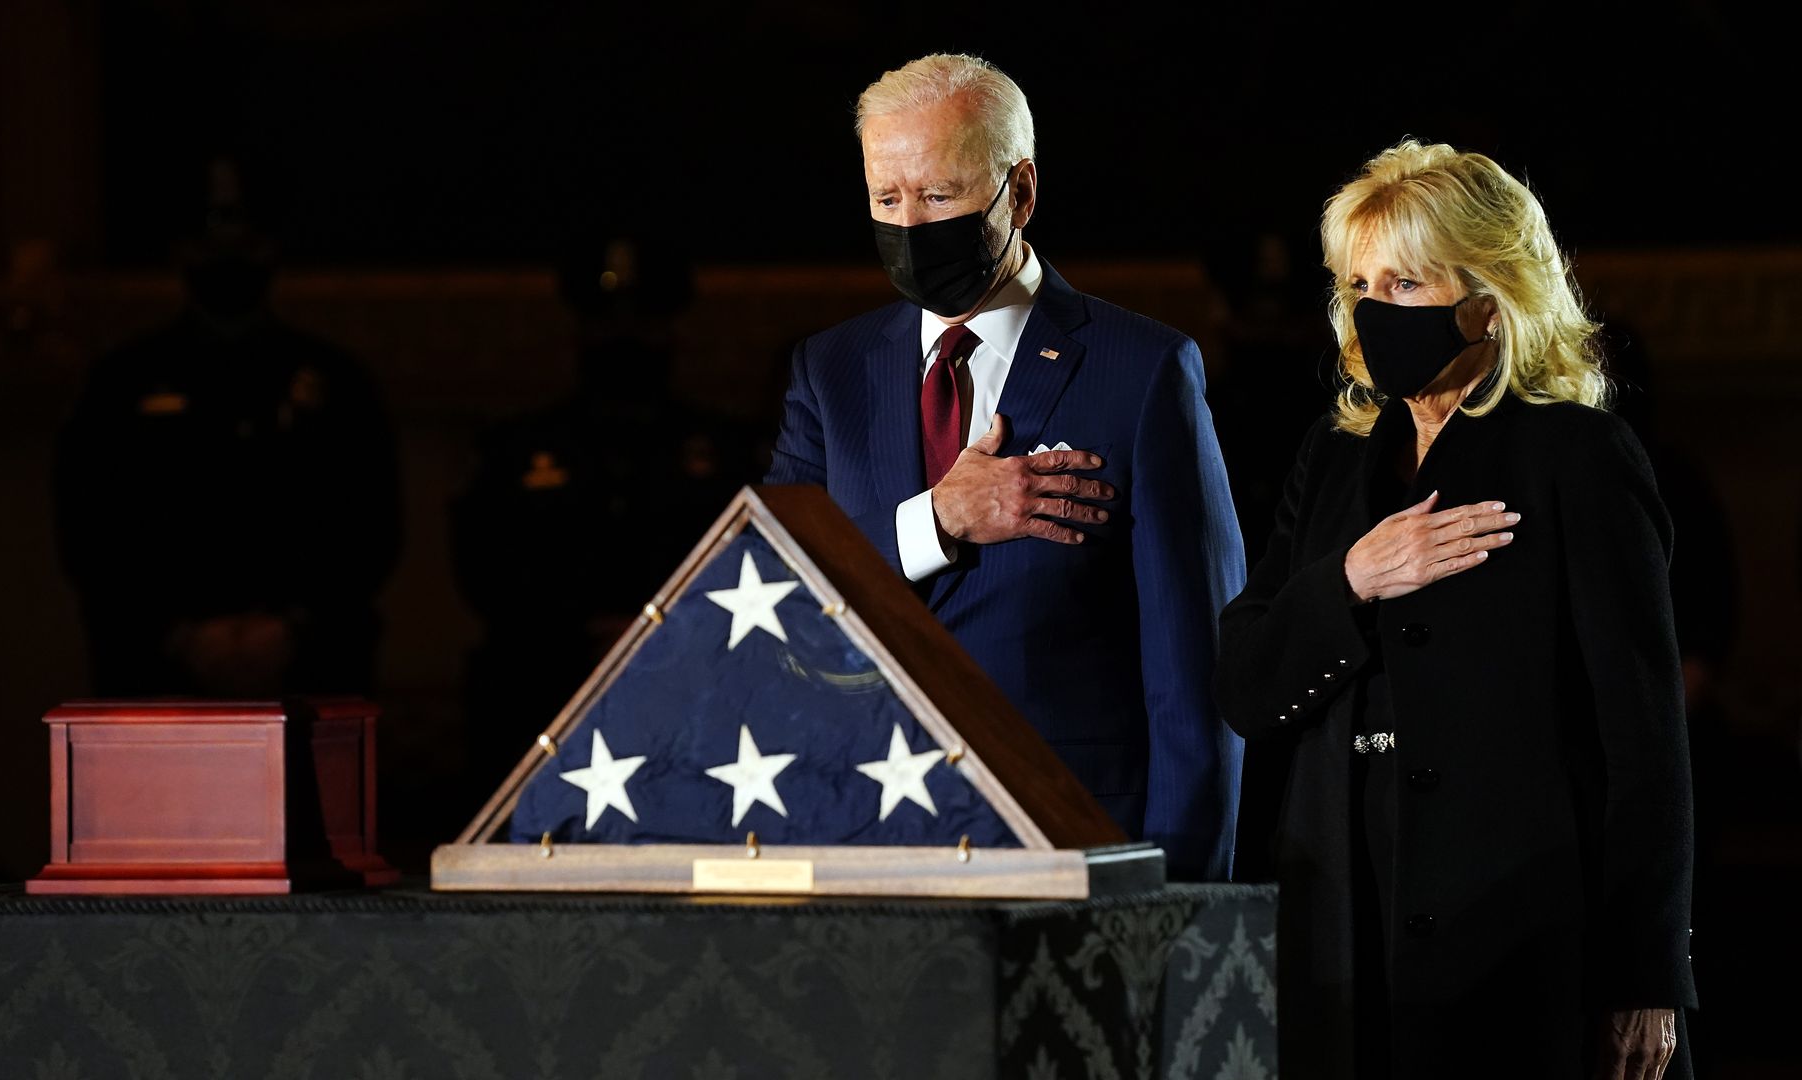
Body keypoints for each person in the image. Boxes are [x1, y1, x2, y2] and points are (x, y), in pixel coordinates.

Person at [1215, 140, 1695, 1078]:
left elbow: (1644, 743)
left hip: (1525, 945)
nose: (1373, 309)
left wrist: (1648, 972)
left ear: (1489, 296)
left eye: (1406, 283)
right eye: (1360, 283)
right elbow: (1244, 683)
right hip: (1345, 942)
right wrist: (1351, 578)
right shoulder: (1334, 457)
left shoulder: (1579, 457)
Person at [765, 54, 1247, 880]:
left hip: (1076, 840)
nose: (911, 226)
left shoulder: (1142, 370)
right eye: (888, 199)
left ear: (1018, 191)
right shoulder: (830, 373)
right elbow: (777, 599)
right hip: (869, 840)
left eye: (941, 196)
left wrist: (1181, 901)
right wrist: (936, 521)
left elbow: (1197, 676)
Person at [55, 159, 401, 699]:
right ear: (179, 249)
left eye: (246, 235)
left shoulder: (337, 382)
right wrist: (179, 636)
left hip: (312, 672)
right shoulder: (120, 383)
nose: (229, 254)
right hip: (155, 676)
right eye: (210, 236)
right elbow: (88, 528)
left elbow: (372, 526)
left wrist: (293, 628)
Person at [451, 231, 760, 804]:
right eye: (607, 322)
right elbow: (487, 569)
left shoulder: (726, 452)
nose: (624, 337)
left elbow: (750, 568)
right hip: (547, 677)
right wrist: (578, 632)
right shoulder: (516, 450)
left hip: (690, 676)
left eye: (642, 322)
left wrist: (654, 630)